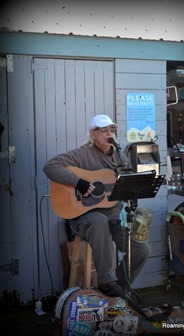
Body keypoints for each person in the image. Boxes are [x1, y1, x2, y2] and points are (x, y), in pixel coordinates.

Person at [43, 114, 151, 297]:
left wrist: (132, 190)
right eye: (104, 130)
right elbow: (50, 167)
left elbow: (125, 185)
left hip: (114, 217)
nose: (110, 133)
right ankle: (107, 281)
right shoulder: (82, 154)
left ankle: (116, 292)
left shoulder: (120, 158)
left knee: (142, 250)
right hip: (84, 218)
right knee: (100, 220)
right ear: (93, 134)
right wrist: (79, 183)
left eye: (112, 130)